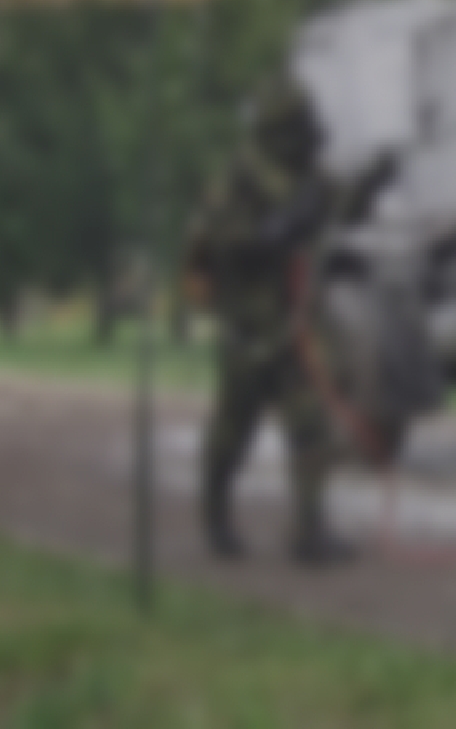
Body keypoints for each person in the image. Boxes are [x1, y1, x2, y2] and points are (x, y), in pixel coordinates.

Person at [183, 80, 348, 566]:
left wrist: (369, 185)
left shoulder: (306, 175)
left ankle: (310, 532)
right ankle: (215, 518)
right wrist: (275, 232)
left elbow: (335, 204)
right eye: (299, 127)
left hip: (290, 327)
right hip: (249, 329)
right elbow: (219, 243)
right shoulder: (240, 177)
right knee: (233, 433)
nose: (309, 135)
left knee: (311, 428)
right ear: (279, 131)